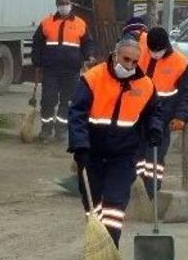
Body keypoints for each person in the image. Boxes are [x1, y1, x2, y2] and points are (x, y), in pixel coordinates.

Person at [68, 38, 163, 248]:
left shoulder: (145, 85)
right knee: (92, 201)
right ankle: (96, 238)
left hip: (124, 154)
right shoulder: (93, 78)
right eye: (126, 59)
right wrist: (79, 145)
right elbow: (77, 113)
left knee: (115, 201)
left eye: (134, 61)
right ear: (115, 54)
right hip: (91, 152)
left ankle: (110, 246)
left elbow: (153, 112)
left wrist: (155, 128)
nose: (129, 65)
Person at [136, 27, 188, 197]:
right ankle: (133, 190)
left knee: (153, 160)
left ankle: (151, 193)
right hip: (135, 117)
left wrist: (181, 116)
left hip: (161, 120)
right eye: (152, 50)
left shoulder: (180, 63)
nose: (155, 53)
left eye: (159, 50)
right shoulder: (138, 51)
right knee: (134, 156)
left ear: (166, 46)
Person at [32, 0, 95, 142]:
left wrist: (89, 55)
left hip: (71, 71)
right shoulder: (46, 23)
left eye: (66, 3)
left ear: (71, 5)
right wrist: (36, 60)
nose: (64, 6)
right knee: (48, 100)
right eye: (61, 3)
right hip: (51, 71)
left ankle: (61, 131)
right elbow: (37, 43)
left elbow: (88, 43)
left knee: (68, 102)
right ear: (57, 5)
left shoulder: (80, 23)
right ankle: (46, 130)